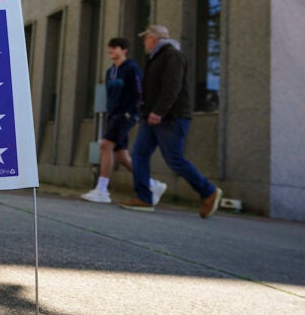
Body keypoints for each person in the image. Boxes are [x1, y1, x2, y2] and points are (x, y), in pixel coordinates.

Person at [119, 25, 223, 218]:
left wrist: (158, 111)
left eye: (146, 37)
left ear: (156, 38)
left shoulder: (172, 55)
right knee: (139, 154)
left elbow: (172, 86)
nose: (144, 41)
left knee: (174, 160)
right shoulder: (156, 57)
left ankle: (208, 191)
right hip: (152, 118)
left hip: (170, 118)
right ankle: (144, 198)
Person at [81, 38, 166, 204]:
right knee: (122, 157)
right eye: (109, 47)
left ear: (124, 50)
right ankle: (152, 184)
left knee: (105, 145)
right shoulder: (110, 71)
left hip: (126, 116)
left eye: (115, 47)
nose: (111, 50)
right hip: (113, 116)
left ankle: (102, 190)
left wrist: (131, 112)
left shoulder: (132, 69)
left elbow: (140, 92)